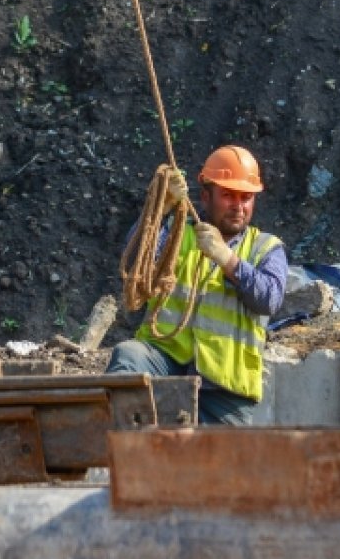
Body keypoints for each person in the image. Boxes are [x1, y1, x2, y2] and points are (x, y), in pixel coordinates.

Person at [106, 145, 288, 425]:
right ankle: (128, 456)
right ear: (205, 196)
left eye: (246, 197)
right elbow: (135, 262)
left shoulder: (266, 248)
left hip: (225, 389)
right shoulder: (179, 233)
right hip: (166, 360)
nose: (238, 206)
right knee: (129, 356)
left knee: (217, 466)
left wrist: (228, 260)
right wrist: (162, 208)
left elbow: (269, 299)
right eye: (228, 195)